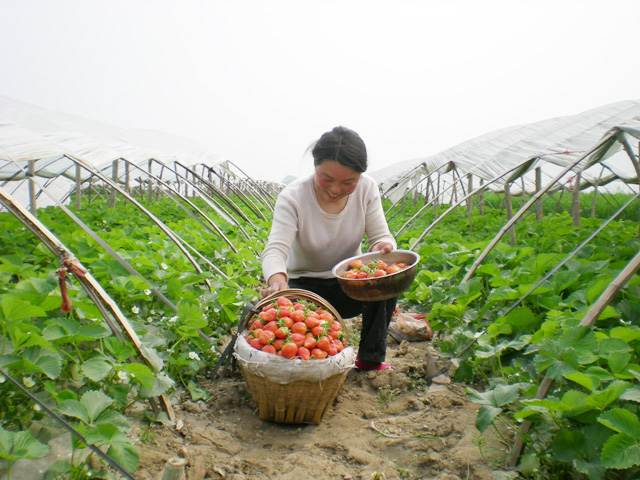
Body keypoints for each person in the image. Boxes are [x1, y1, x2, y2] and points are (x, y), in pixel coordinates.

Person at [260, 126, 398, 371]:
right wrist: (277, 280)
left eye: (348, 182)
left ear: (360, 177)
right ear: (315, 167)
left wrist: (382, 247)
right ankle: (304, 368)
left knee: (384, 280)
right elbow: (275, 250)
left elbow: (382, 237)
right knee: (282, 322)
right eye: (326, 178)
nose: (335, 189)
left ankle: (370, 359)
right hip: (303, 287)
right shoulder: (293, 196)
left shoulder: (367, 188)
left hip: (347, 285)